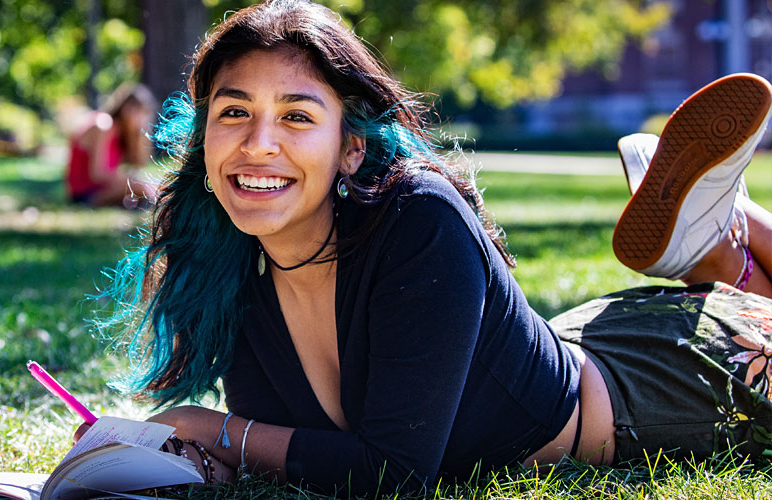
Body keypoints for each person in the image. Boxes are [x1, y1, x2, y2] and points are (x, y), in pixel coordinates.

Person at [76, 0, 772, 495]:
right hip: (576, 343)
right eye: (234, 113)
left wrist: (212, 428)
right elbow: (297, 451)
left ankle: (728, 236)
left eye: (296, 116)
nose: (258, 143)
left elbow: (392, 472)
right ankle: (714, 245)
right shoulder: (239, 259)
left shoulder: (417, 217)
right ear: (204, 139)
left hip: (664, 383)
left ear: (351, 148)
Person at [65, 82, 158, 207]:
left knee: (148, 184)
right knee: (140, 185)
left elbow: (140, 163)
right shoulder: (104, 125)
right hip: (85, 195)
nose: (143, 121)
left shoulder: (120, 134)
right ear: (128, 109)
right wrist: (130, 180)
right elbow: (97, 175)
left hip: (101, 191)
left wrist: (139, 135)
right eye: (141, 114)